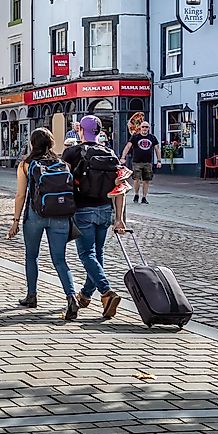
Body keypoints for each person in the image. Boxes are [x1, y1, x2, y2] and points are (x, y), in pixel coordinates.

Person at [8, 128, 79, 321]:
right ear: (51, 143)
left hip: (35, 215)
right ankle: (71, 297)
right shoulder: (62, 163)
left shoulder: (26, 164)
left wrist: (15, 221)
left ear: (33, 144)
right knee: (60, 260)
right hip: (60, 215)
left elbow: (21, 195)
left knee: (32, 256)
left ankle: (32, 296)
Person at [62, 116, 122, 319]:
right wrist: (119, 218)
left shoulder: (72, 152)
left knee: (87, 254)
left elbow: (64, 181)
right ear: (99, 131)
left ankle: (106, 292)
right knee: (98, 254)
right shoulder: (110, 153)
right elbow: (119, 188)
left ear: (80, 130)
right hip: (105, 209)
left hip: (83, 209)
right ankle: (86, 295)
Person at [120, 122, 161, 204]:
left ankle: (144, 197)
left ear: (149, 128)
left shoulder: (152, 137)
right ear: (140, 128)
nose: (144, 128)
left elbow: (157, 149)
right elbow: (128, 146)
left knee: (146, 180)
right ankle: (136, 194)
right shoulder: (135, 137)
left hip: (148, 162)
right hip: (137, 162)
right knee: (136, 179)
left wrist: (159, 160)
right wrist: (123, 157)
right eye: (143, 127)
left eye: (146, 127)